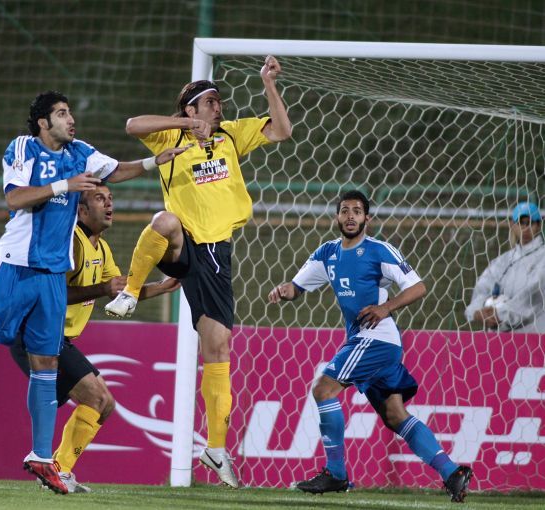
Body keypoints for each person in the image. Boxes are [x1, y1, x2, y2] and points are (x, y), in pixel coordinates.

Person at [0, 91, 186, 494]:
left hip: (52, 275)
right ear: (43, 123)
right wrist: (64, 184)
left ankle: (41, 456)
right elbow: (14, 197)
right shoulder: (23, 148)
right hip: (13, 265)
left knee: (46, 363)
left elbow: (116, 170)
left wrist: (155, 162)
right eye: (62, 114)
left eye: (69, 113)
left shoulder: (80, 152)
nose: (71, 120)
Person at [104, 55, 293, 488]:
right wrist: (187, 126)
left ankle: (216, 449)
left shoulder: (230, 134)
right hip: (185, 244)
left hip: (217, 253)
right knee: (164, 221)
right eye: (210, 102)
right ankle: (131, 292)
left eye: (218, 101)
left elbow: (282, 130)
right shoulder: (171, 134)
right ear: (191, 109)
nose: (218, 107)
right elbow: (132, 125)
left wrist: (268, 84)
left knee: (218, 347)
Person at [267, 190, 473, 503]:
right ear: (337, 217)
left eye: (357, 211)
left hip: (377, 338)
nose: (350, 216)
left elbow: (418, 286)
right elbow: (297, 286)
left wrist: (385, 307)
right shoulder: (327, 253)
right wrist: (285, 290)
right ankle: (451, 472)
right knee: (395, 415)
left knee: (323, 389)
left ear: (367, 218)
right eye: (345, 210)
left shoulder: (379, 251)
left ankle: (336, 473)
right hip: (368, 341)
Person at [8, 183, 180, 493]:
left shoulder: (101, 248)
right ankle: (56, 469)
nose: (109, 204)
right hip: (36, 333)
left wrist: (163, 286)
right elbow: (53, 292)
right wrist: (102, 289)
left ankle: (58, 470)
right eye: (100, 199)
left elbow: (121, 291)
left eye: (110, 198)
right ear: (82, 210)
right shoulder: (71, 242)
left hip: (56, 339)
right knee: (98, 399)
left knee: (105, 404)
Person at [465, 201, 545, 333]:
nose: (525, 228)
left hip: (535, 337)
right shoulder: (502, 261)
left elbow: (532, 296)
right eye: (521, 223)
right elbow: (482, 288)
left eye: (531, 223)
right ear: (512, 224)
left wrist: (500, 314)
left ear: (539, 225)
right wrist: (477, 311)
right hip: (499, 339)